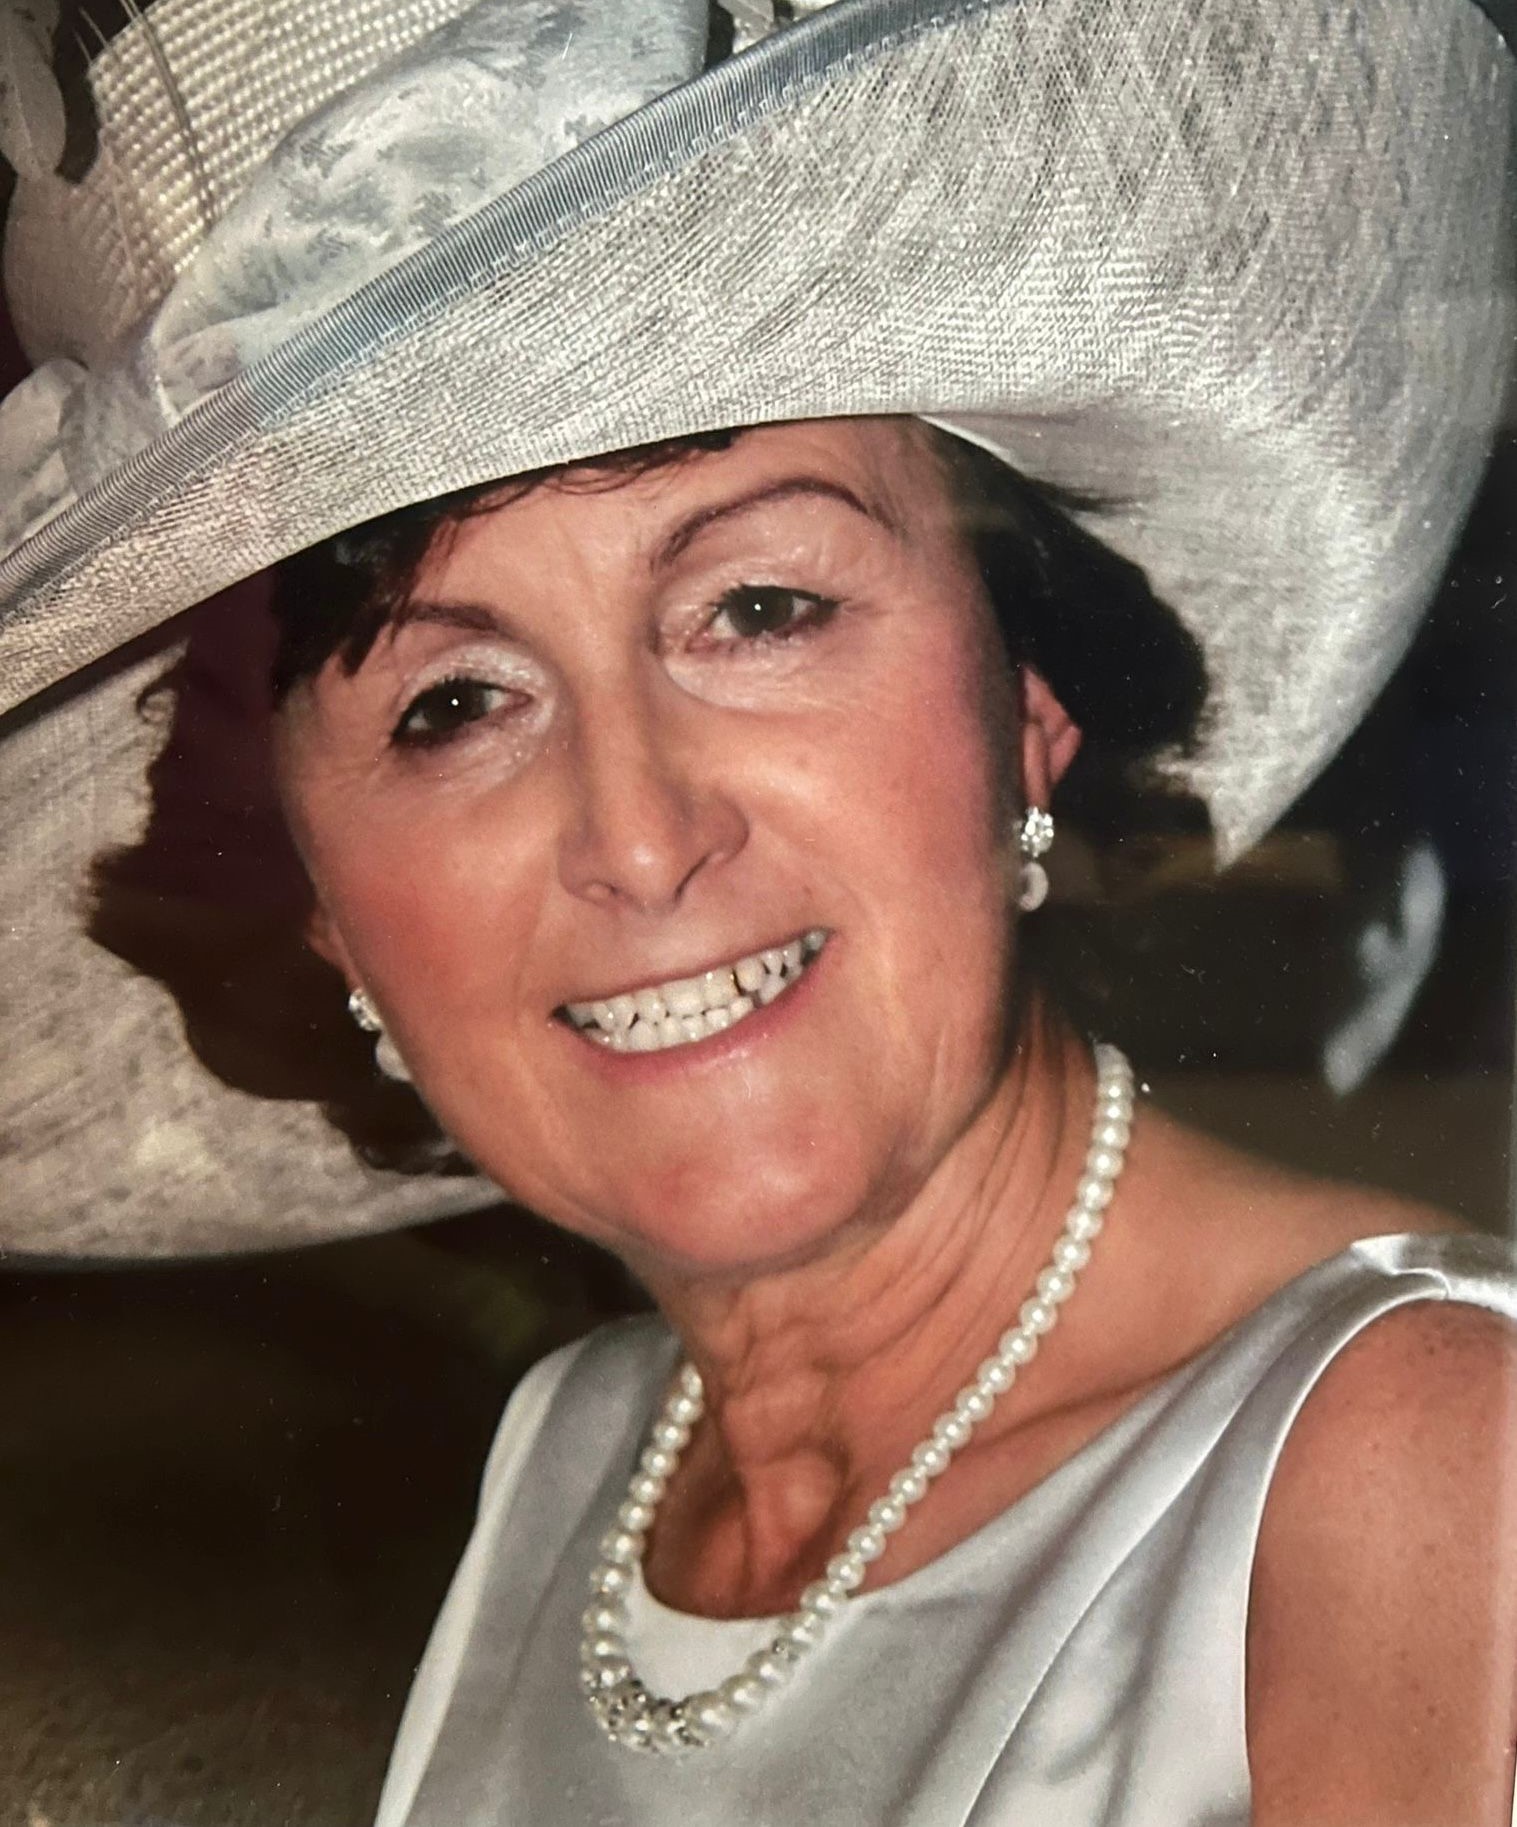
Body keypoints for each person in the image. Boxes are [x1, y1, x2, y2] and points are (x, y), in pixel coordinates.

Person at [0, 2, 1514, 1824]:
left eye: (759, 609)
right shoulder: (573, 1459)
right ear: (318, 909)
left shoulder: (1433, 1451)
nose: (640, 839)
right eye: (452, 704)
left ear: (1027, 705)